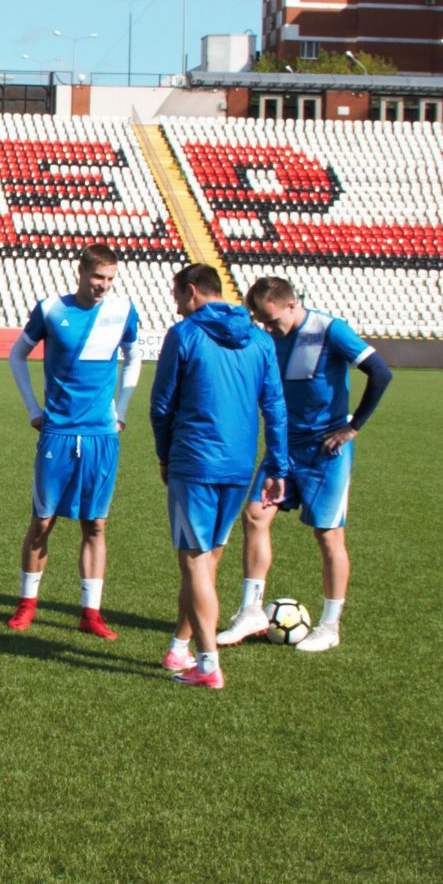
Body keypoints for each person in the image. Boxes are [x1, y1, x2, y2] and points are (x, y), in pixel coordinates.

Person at [217, 276, 391, 653]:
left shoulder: (331, 330)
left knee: (328, 536)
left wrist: (351, 428)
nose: (267, 328)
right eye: (261, 321)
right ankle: (250, 611)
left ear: (293, 305)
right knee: (254, 516)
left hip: (326, 451)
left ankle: (330, 626)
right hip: (283, 448)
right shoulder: (266, 338)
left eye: (272, 320)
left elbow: (380, 373)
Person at [148, 264, 289, 690]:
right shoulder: (261, 340)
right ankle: (179, 645)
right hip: (240, 465)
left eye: (177, 298)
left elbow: (161, 406)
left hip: (195, 460)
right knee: (206, 561)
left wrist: (164, 455)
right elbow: (276, 407)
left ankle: (207, 664)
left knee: (193, 562)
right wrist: (278, 465)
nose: (177, 307)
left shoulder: (185, 334)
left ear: (191, 292)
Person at [6, 244, 142, 639]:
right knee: (42, 522)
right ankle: (27, 604)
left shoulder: (123, 311)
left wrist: (121, 410)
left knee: (95, 524)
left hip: (101, 434)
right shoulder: (51, 308)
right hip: (58, 433)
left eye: (110, 279)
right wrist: (34, 408)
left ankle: (90, 613)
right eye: (98, 277)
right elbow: (17, 355)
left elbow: (134, 357)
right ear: (80, 271)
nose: (104, 286)